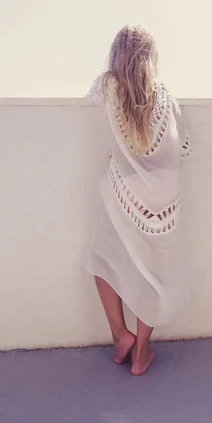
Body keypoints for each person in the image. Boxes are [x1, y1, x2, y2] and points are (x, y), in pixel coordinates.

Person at [85, 24, 191, 376]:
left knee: (102, 259)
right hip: (164, 197)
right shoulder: (166, 95)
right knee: (154, 275)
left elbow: (89, 98)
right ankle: (142, 351)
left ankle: (121, 335)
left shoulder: (108, 87)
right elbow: (184, 147)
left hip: (127, 193)